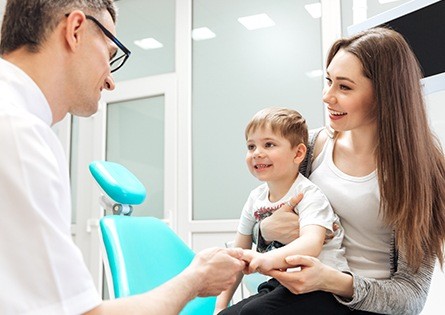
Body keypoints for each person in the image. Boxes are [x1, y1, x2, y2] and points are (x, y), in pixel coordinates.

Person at [0, 1, 245, 314]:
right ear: (75, 30)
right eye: (111, 54)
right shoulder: (19, 135)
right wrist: (197, 279)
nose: (111, 81)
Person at [242, 27, 445, 314]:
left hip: (361, 304)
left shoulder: (424, 174)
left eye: (344, 87)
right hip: (301, 290)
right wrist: (263, 231)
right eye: (328, 81)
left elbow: (410, 297)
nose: (327, 96)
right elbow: (259, 215)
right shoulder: (310, 147)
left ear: (384, 94)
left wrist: (333, 280)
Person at [215, 107, 349, 314]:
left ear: (298, 153)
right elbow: (237, 255)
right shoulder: (254, 199)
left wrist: (265, 259)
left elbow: (311, 244)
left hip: (322, 287)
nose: (257, 153)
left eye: (269, 144)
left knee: (254, 313)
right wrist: (220, 305)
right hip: (282, 284)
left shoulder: (309, 195)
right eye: (251, 146)